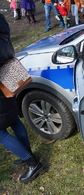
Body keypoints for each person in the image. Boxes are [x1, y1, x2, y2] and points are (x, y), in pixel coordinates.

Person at [0, 13, 44, 184]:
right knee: (14, 121)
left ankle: (32, 163)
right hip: (8, 76)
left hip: (2, 84)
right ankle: (27, 152)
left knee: (1, 133)